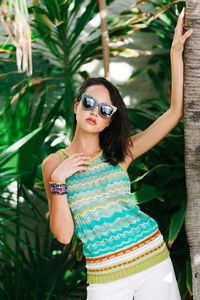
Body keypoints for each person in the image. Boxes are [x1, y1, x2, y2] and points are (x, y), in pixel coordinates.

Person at [42, 7, 193, 300]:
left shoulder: (120, 153)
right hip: (105, 280)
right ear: (76, 106)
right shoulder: (54, 165)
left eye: (104, 109)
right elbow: (63, 235)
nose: (94, 112)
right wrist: (59, 181)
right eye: (88, 102)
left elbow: (174, 114)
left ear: (110, 119)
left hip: (152, 262)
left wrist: (176, 53)